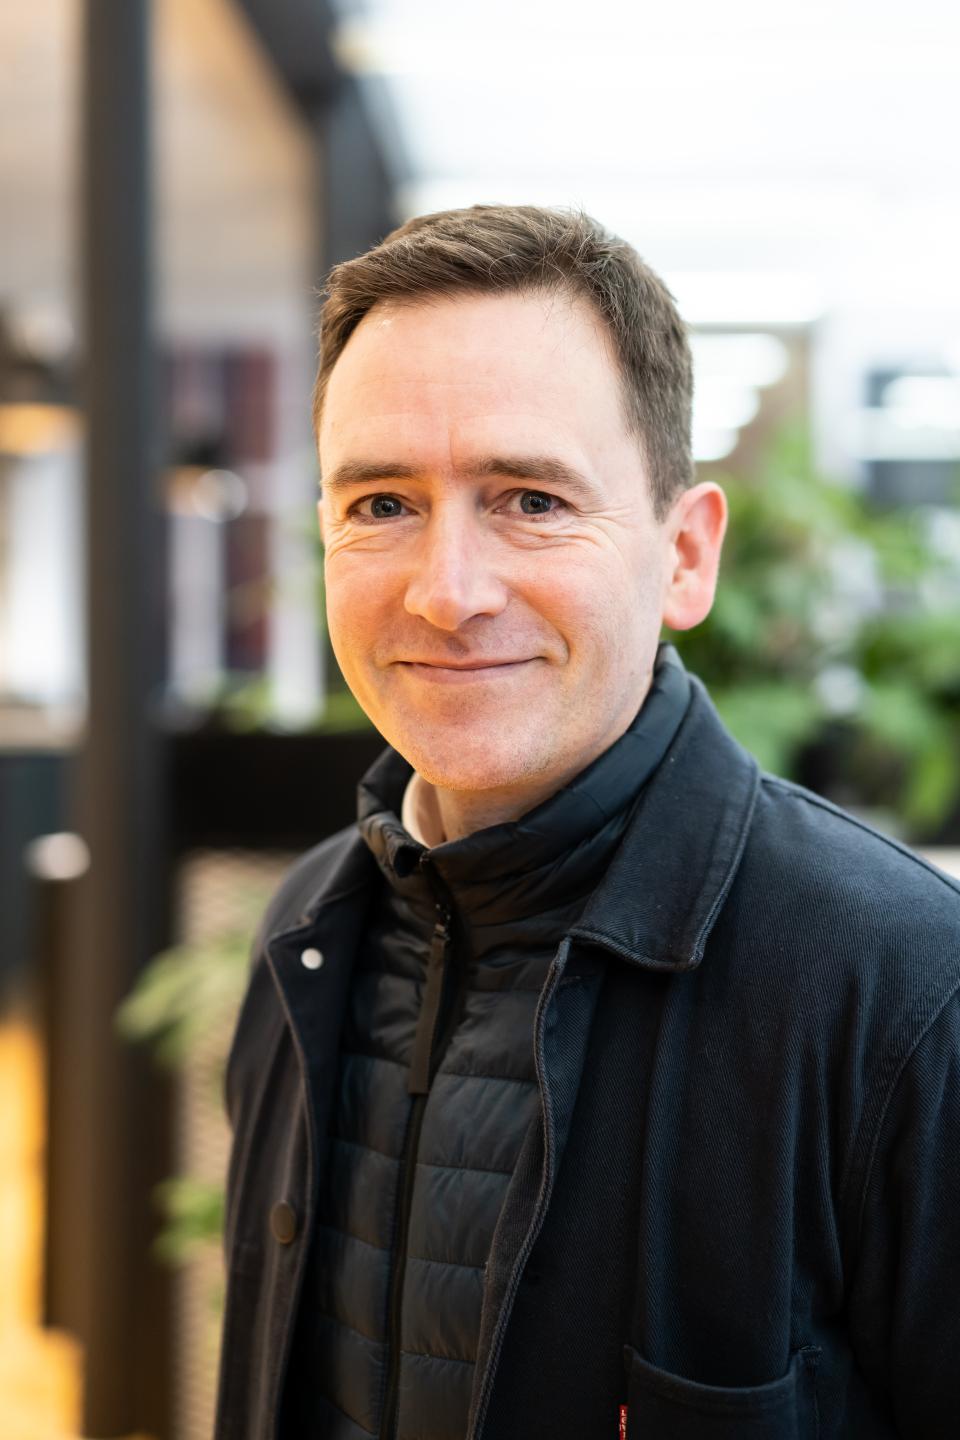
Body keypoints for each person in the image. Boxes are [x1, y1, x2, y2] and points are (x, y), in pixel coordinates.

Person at [214, 206, 960, 1440]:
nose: (448, 592)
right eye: (383, 504)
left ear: (685, 555)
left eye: (531, 499)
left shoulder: (899, 989)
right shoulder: (309, 929)